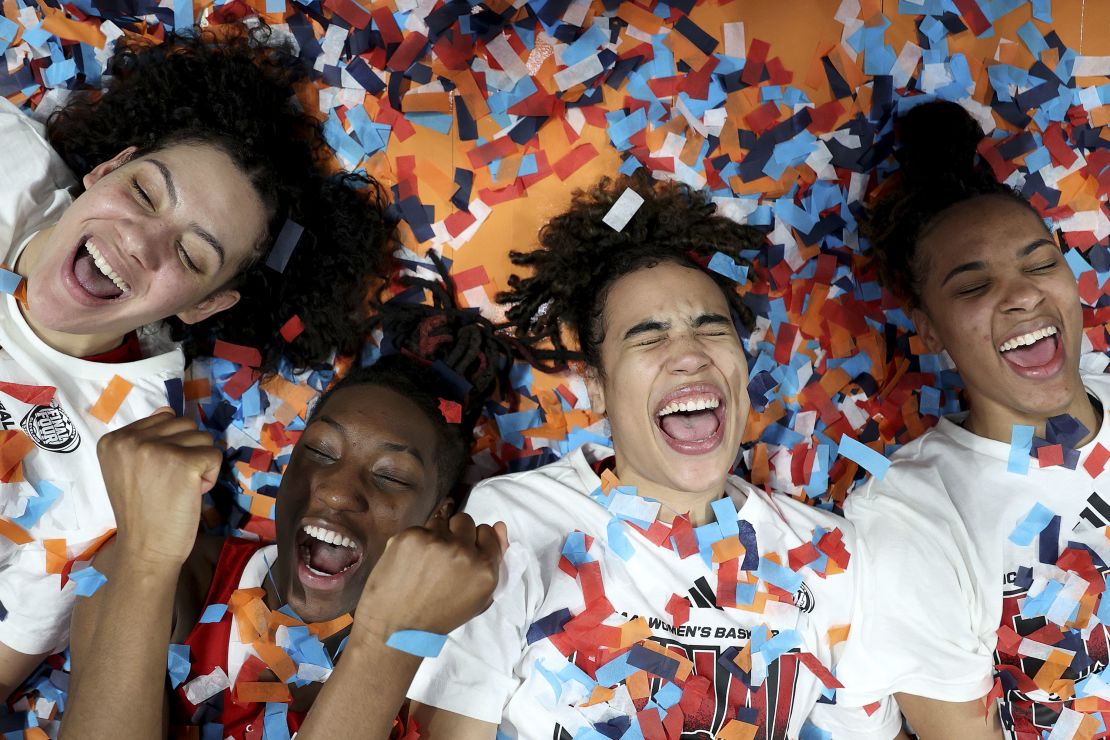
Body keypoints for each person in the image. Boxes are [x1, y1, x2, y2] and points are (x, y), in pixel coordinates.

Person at [407, 172, 905, 739]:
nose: (688, 355)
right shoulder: (512, 520)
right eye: (648, 336)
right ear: (596, 385)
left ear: (743, 369)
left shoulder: (832, 558)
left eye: (710, 329)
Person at [0, 23, 392, 695]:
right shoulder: (8, 161)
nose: (140, 243)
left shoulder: (120, 464)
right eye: (146, 194)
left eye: (190, 255)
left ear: (205, 307)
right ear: (102, 170)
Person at [61, 255, 512, 738]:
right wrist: (145, 558)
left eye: (392, 476)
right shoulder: (164, 572)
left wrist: (391, 641)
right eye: (319, 450)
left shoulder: (445, 674)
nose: (337, 490)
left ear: (438, 519)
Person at [833, 100, 1107, 739]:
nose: (1020, 294)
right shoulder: (911, 512)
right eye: (972, 285)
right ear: (928, 330)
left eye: (1040, 263)